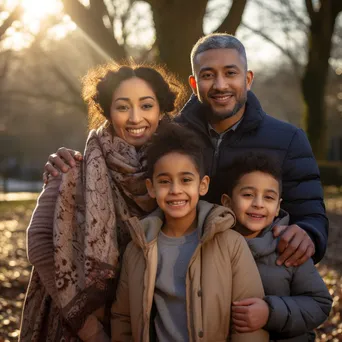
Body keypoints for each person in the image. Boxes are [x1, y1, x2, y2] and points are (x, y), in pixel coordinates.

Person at [45, 33, 328, 267]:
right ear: (194, 84)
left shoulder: (288, 139)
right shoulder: (168, 134)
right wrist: (71, 164)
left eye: (231, 73)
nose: (220, 85)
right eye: (208, 75)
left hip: (261, 280)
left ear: (248, 79)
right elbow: (119, 151)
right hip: (182, 281)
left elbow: (311, 213)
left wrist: (310, 234)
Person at [20, 63, 185, 341]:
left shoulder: (179, 168)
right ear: (107, 111)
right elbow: (38, 242)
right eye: (123, 107)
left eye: (146, 106)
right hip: (77, 323)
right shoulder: (73, 168)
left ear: (161, 110)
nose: (135, 118)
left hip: (150, 317)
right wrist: (87, 325)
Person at [110, 123, 268, 342]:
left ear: (202, 186)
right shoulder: (138, 248)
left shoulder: (230, 244)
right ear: (151, 187)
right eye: (165, 181)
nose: (176, 190)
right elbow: (123, 318)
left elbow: (249, 324)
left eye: (186, 180)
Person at [220, 152, 332, 341]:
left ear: (278, 206)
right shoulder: (216, 247)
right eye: (248, 195)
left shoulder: (288, 247)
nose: (258, 204)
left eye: (268, 198)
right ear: (227, 202)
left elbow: (319, 303)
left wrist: (270, 313)